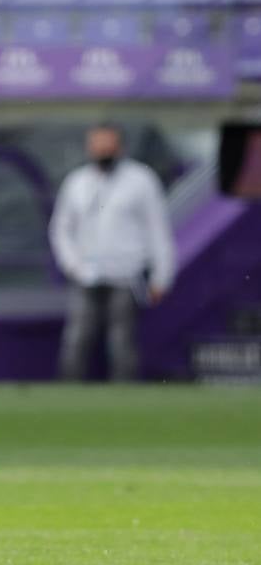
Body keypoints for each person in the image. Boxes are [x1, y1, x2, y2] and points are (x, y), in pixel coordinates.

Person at [49, 123, 175, 381]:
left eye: (108, 144)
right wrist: (72, 264)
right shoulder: (77, 181)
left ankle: (124, 398)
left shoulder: (141, 180)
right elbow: (61, 229)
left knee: (122, 343)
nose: (103, 150)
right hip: (86, 274)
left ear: (120, 147)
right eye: (98, 144)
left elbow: (157, 230)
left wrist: (162, 275)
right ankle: (67, 396)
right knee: (77, 338)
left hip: (125, 274)